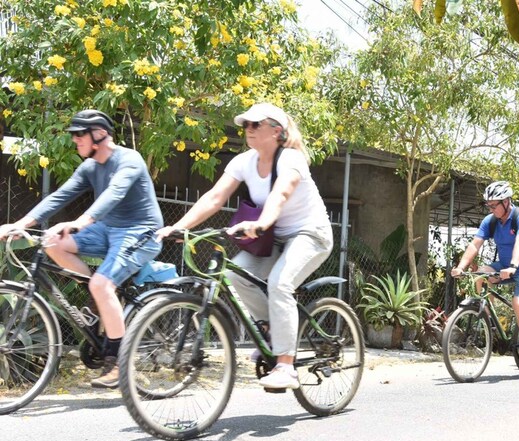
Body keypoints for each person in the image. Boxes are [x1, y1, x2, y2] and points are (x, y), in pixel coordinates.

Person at [157, 102, 333, 390]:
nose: (248, 130)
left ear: (277, 131)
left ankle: (286, 366)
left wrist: (261, 222)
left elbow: (281, 193)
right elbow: (214, 198)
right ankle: (272, 329)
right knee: (234, 274)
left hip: (310, 234)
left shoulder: (291, 159)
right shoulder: (243, 162)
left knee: (280, 284)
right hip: (273, 237)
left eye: (255, 124)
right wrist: (179, 227)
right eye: (245, 125)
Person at [0, 109, 164, 389]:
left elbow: (114, 194)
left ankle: (117, 362)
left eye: (79, 134)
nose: (75, 140)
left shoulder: (129, 160)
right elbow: (60, 195)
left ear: (99, 134)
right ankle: (98, 298)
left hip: (141, 231)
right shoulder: (90, 167)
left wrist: (80, 222)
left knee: (101, 284)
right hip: (107, 230)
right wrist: (20, 224)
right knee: (52, 242)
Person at [450, 181, 519, 367]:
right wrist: (460, 267)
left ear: (507, 201)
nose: (491, 208)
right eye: (489, 205)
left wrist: (512, 267)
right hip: (503, 265)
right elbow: (474, 244)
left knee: (518, 303)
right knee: (480, 275)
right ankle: (487, 318)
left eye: (494, 205)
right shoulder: (490, 220)